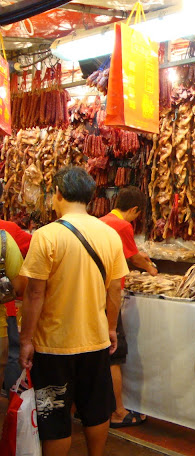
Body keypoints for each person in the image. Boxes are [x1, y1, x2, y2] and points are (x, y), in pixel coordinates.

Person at [19, 166, 129, 456]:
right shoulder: (109, 235)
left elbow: (34, 293)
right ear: (91, 198)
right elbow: (115, 289)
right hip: (95, 340)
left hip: (53, 345)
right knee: (96, 408)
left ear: (57, 194)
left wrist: (27, 339)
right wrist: (111, 327)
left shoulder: (45, 236)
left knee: (55, 416)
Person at [100, 186, 157, 428]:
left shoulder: (101, 220)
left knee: (98, 354)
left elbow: (131, 252)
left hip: (94, 294)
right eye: (138, 214)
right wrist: (151, 270)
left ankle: (93, 407)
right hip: (108, 296)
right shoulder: (122, 225)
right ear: (134, 210)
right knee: (114, 354)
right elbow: (133, 258)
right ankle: (119, 412)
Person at [0, 220, 30, 393]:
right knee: (12, 357)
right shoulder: (7, 232)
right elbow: (20, 285)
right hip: (6, 310)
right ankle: (11, 397)